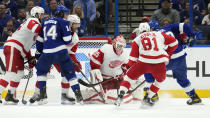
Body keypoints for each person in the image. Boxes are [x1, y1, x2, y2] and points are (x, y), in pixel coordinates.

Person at [115, 22, 178, 107]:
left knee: (128, 78)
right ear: (149, 29)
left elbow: (132, 60)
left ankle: (120, 95)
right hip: (159, 63)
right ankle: (148, 98)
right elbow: (175, 43)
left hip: (143, 62)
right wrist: (168, 53)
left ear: (139, 31)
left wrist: (127, 68)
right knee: (159, 81)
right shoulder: (159, 34)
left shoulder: (136, 40)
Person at [144, 21, 202, 105]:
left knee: (148, 71)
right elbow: (184, 25)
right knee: (182, 79)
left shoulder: (152, 36)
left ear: (151, 28)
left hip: (168, 60)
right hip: (180, 57)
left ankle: (152, 95)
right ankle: (194, 97)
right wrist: (191, 35)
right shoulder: (168, 27)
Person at [30, 14, 83, 105]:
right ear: (70, 24)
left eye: (78, 25)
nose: (77, 27)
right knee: (45, 72)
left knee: (47, 72)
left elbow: (71, 53)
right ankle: (37, 93)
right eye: (75, 24)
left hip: (58, 55)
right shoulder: (61, 29)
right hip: (58, 54)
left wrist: (76, 62)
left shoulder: (75, 37)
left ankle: (64, 94)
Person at [0, 6, 44, 104]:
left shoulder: (35, 25)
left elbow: (25, 45)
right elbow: (36, 29)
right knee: (11, 73)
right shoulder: (32, 20)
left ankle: (10, 95)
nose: (42, 17)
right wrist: (47, 26)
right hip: (13, 47)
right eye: (41, 14)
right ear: (36, 14)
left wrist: (30, 58)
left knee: (19, 73)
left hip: (18, 50)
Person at [87, 35, 128, 103]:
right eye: (119, 45)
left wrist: (126, 73)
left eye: (122, 46)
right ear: (114, 44)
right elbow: (94, 59)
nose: (120, 47)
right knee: (108, 95)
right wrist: (95, 69)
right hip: (104, 79)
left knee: (124, 94)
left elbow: (125, 66)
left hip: (117, 78)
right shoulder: (106, 48)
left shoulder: (125, 53)